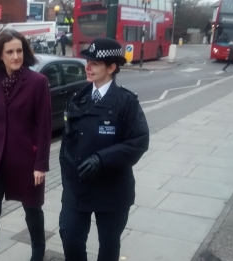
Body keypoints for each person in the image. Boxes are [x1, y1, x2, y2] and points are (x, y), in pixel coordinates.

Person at [58, 37, 150, 261]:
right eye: (87, 62)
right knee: (69, 236)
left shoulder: (125, 101)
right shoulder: (78, 98)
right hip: (77, 186)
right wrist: (68, 176)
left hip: (112, 189)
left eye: (95, 63)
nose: (87, 67)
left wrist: (102, 159)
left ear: (112, 67)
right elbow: (68, 141)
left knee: (108, 246)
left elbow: (139, 141)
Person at [0, 29, 52, 261]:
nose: (16, 56)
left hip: (26, 158)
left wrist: (41, 165)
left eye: (19, 51)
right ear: (0, 55)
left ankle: (38, 250)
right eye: (10, 52)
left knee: (32, 208)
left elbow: (44, 127)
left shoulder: (38, 82)